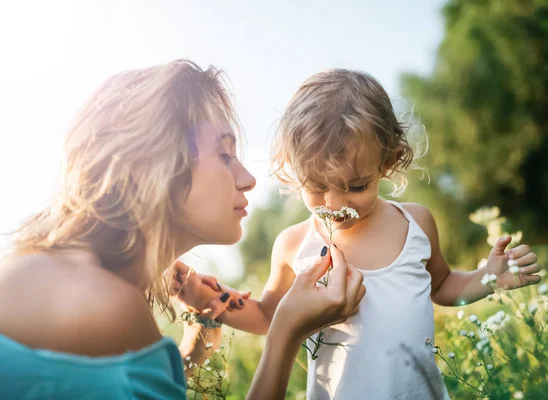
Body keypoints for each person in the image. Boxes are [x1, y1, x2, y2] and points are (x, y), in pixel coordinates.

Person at [0, 60, 366, 400]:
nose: (249, 179)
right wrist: (287, 331)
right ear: (150, 166)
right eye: (224, 156)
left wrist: (195, 346)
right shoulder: (106, 306)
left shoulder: (47, 273)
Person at [174, 69, 542, 399]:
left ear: (389, 161)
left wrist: (488, 277)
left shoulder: (415, 224)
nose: (333, 203)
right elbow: (273, 317)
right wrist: (211, 297)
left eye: (355, 185)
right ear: (293, 169)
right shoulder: (293, 245)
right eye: (317, 186)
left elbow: (443, 285)